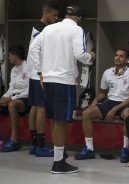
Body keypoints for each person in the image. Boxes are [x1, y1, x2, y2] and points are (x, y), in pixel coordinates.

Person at [28, 5, 96, 174]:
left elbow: (33, 49)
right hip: (64, 82)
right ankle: (58, 163)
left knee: (54, 119)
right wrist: (90, 57)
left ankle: (60, 154)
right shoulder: (77, 29)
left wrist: (40, 71)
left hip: (48, 80)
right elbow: (80, 54)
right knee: (61, 121)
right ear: (79, 19)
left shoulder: (49, 28)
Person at [75, 48, 129, 163]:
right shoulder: (108, 72)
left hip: (126, 103)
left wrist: (115, 109)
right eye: (116, 55)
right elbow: (102, 93)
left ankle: (125, 149)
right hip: (110, 102)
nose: (117, 58)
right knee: (86, 114)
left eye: (121, 56)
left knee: (128, 114)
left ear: (127, 59)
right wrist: (92, 105)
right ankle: (89, 149)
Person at [26, 1, 60, 157]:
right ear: (45, 14)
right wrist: (41, 72)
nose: (56, 18)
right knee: (41, 107)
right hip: (39, 74)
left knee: (34, 107)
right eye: (54, 15)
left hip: (34, 73)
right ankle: (40, 146)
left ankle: (34, 145)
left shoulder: (38, 28)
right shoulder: (41, 30)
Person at [0, 45, 30, 152]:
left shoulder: (29, 67)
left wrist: (11, 99)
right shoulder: (13, 70)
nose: (9, 58)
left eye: (10, 56)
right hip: (14, 97)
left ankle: (14, 141)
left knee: (11, 104)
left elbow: (30, 90)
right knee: (5, 102)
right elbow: (11, 88)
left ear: (15, 55)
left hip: (25, 99)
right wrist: (4, 97)